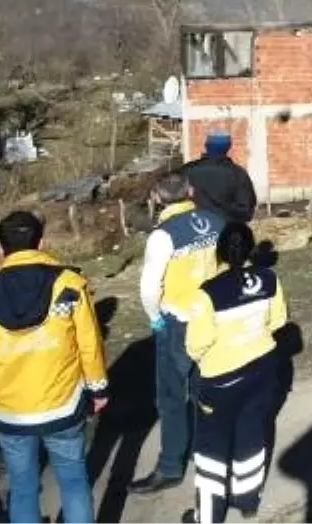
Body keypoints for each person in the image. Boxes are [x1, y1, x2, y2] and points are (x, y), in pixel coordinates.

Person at [0, 211, 108, 524]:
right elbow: (90, 343)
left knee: (22, 486)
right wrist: (99, 388)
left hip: (7, 409)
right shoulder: (69, 284)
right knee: (73, 481)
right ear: (40, 242)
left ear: (0, 248)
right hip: (63, 403)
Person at [181, 221, 288, 524]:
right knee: (252, 434)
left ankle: (209, 516)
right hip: (264, 369)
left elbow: (196, 345)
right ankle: (247, 500)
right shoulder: (269, 279)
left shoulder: (208, 294)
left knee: (211, 448)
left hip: (221, 378)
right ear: (252, 249)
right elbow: (278, 321)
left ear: (219, 252)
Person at [130, 174, 226, 495]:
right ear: (191, 192)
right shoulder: (216, 220)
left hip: (179, 323)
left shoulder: (163, 235)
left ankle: (170, 466)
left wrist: (155, 318)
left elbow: (149, 287)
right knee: (206, 393)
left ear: (157, 198)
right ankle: (210, 459)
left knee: (172, 397)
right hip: (212, 318)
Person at [181, 131, 258, 227]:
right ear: (229, 147)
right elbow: (246, 210)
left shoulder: (186, 170)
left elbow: (173, 199)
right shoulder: (238, 173)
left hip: (193, 230)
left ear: (206, 145)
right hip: (226, 232)